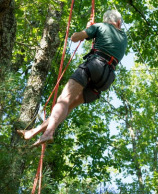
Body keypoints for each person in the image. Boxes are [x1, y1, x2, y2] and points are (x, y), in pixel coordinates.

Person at [17, 9, 127, 147]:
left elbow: (75, 37)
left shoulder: (100, 26)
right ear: (118, 22)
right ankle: (34, 131)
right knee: (66, 107)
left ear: (106, 21)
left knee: (63, 101)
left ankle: (48, 133)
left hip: (94, 65)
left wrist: (89, 29)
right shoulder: (123, 37)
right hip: (107, 78)